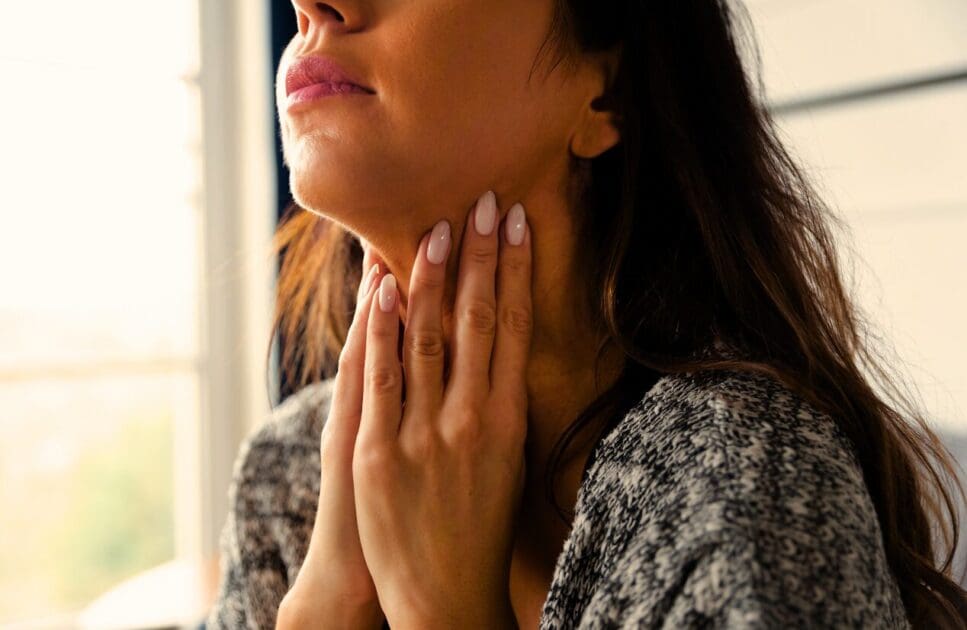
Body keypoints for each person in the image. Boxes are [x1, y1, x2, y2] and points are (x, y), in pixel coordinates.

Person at [208, 1, 967, 628]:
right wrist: (321, 612)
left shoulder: (744, 482)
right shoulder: (290, 477)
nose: (311, 4)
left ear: (606, 94)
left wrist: (443, 616)